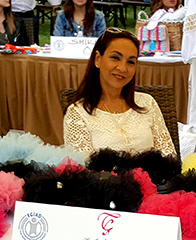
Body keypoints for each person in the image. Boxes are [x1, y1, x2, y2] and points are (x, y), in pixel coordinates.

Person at [62, 28, 177, 156]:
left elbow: (169, 156)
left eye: (130, 62)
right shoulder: (77, 113)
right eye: (115, 58)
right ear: (98, 59)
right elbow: (83, 166)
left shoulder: (147, 103)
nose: (122, 68)